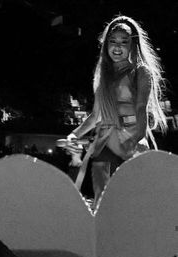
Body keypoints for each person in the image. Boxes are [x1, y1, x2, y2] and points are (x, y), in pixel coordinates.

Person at [65, 15, 167, 213]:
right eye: (112, 41)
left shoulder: (141, 72)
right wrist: (74, 134)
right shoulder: (102, 76)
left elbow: (141, 109)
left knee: (134, 203)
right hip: (105, 145)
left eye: (123, 42)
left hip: (131, 141)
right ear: (106, 45)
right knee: (104, 204)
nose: (117, 47)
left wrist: (134, 140)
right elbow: (96, 115)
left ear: (133, 45)